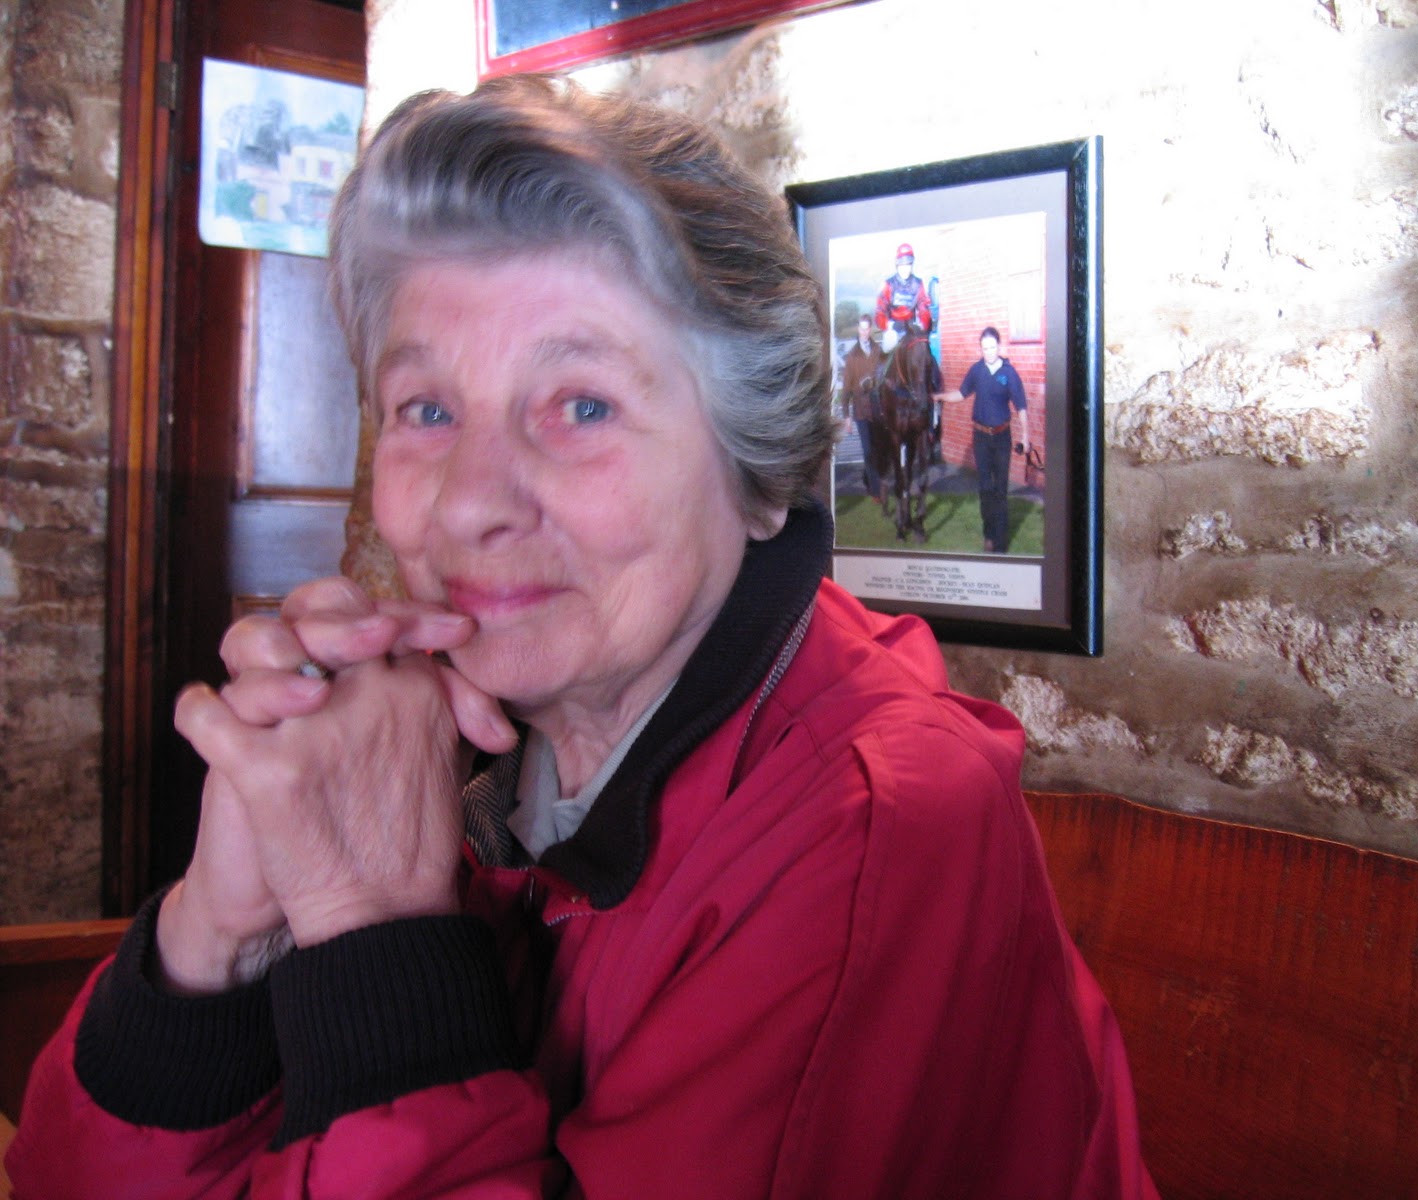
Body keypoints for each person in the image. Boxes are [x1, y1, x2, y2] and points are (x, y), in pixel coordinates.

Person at [7, 75, 1155, 1199]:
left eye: (582, 405)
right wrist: (222, 932)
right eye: (427, 409)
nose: (470, 501)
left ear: (759, 476)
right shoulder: (460, 749)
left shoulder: (875, 825)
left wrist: (372, 934)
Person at [958, 325, 1032, 553]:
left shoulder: (1009, 373)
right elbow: (961, 393)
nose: (988, 352)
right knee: (985, 488)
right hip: (981, 437)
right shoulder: (976, 370)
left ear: (999, 347)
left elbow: (1021, 407)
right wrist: (938, 397)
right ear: (980, 349)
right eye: (984, 348)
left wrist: (1026, 436)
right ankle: (989, 535)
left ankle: (1000, 541)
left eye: (992, 347)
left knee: (1000, 489)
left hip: (1001, 438)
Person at [839, 313, 883, 498]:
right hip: (861, 411)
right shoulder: (852, 356)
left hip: (878, 410)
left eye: (867, 329)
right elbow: (846, 389)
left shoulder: (878, 350)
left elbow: (885, 376)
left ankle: (869, 478)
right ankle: (876, 492)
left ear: (870, 329)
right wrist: (846, 416)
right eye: (862, 329)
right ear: (858, 329)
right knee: (868, 450)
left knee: (878, 449)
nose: (864, 332)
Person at [873, 240, 931, 352]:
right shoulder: (888, 284)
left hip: (912, 327)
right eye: (902, 265)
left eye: (908, 264)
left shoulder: (919, 284)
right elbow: (880, 311)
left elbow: (924, 308)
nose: (905, 268)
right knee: (887, 349)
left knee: (926, 352)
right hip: (893, 328)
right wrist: (888, 325)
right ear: (897, 265)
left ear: (912, 265)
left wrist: (922, 325)